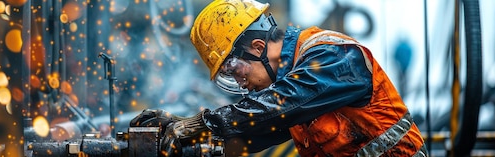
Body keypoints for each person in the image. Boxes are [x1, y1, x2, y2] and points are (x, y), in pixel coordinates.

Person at [131, 0, 427, 156]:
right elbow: (252, 133)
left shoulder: (334, 56)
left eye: (237, 72)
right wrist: (182, 129)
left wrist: (205, 123)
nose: (243, 85)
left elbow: (281, 103)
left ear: (258, 48)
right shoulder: (291, 93)